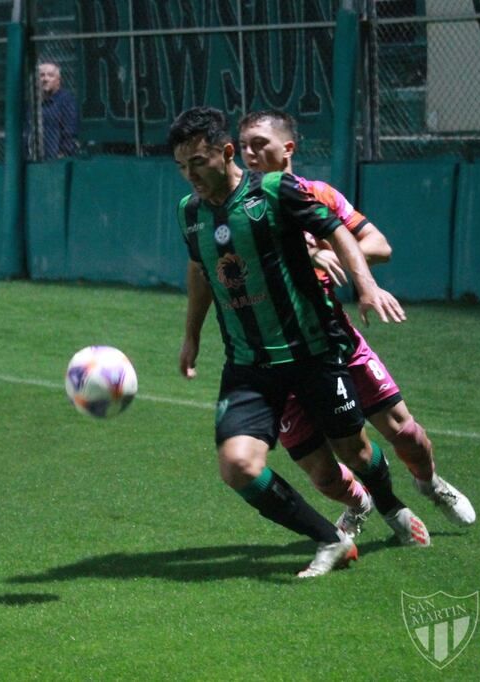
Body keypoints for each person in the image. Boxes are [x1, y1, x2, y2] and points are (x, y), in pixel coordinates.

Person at [170, 106, 409, 578]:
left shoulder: (276, 191)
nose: (190, 175)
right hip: (249, 366)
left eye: (198, 162)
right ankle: (330, 539)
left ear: (226, 151)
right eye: (181, 166)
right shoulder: (191, 213)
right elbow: (200, 271)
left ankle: (392, 506)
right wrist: (191, 337)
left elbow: (337, 230)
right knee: (237, 465)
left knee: (356, 453)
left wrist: (364, 286)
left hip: (313, 353)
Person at [236, 109, 476, 537]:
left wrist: (338, 256)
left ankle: (429, 483)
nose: (250, 154)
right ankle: (361, 504)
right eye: (245, 146)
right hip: (274, 355)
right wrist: (303, 254)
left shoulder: (317, 195)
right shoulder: (236, 210)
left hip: (333, 339)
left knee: (406, 434)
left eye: (260, 144)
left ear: (288, 148)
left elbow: (379, 245)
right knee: (326, 475)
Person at [31, 61, 78, 159]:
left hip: (56, 161)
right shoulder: (32, 102)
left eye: (50, 75)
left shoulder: (66, 100)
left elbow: (70, 131)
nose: (45, 79)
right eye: (41, 75)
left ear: (58, 80)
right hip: (34, 159)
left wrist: (62, 155)